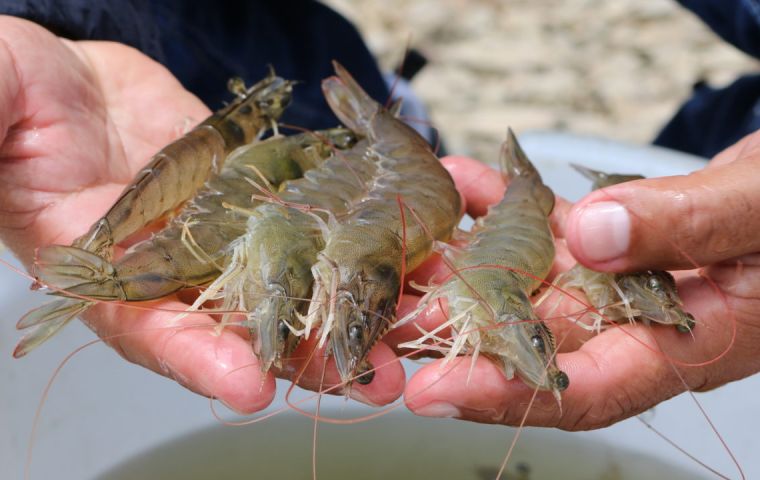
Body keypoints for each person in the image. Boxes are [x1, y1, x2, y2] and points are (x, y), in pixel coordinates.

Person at [0, 1, 758, 430]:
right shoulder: (317, 224)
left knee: (361, 156)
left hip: (364, 176)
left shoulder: (392, 233)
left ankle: (382, 126)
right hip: (276, 135)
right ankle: (381, 124)